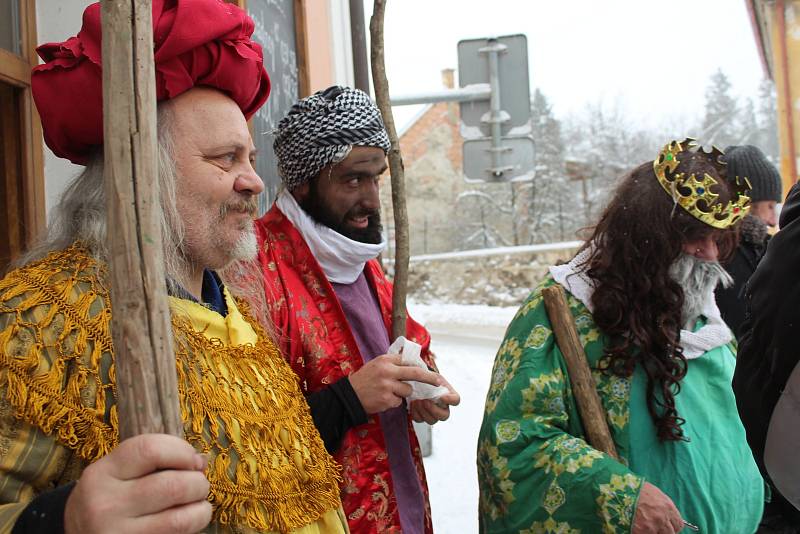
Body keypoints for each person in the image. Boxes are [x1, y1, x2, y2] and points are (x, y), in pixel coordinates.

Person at [0, 2, 345, 533]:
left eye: (251, 159)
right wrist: (63, 521)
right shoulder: (41, 321)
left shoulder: (237, 312)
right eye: (225, 158)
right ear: (143, 173)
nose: (254, 182)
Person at [477, 139, 764, 533]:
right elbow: (513, 446)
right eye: (696, 236)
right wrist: (618, 497)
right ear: (647, 238)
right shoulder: (562, 317)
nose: (710, 255)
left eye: (717, 238)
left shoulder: (704, 321)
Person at [254, 85, 460, 533]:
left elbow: (403, 339)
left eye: (376, 178)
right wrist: (348, 399)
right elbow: (248, 439)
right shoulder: (253, 268)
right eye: (352, 180)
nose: (370, 199)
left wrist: (425, 382)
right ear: (302, 182)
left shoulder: (357, 254)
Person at [733, 180, 800, 533]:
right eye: (766, 205)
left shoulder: (775, 252)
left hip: (768, 447)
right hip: (772, 455)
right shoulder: (740, 257)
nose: (772, 215)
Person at [715, 145, 782, 339]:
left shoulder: (762, 247)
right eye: (769, 206)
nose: (773, 221)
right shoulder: (724, 254)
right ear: (746, 204)